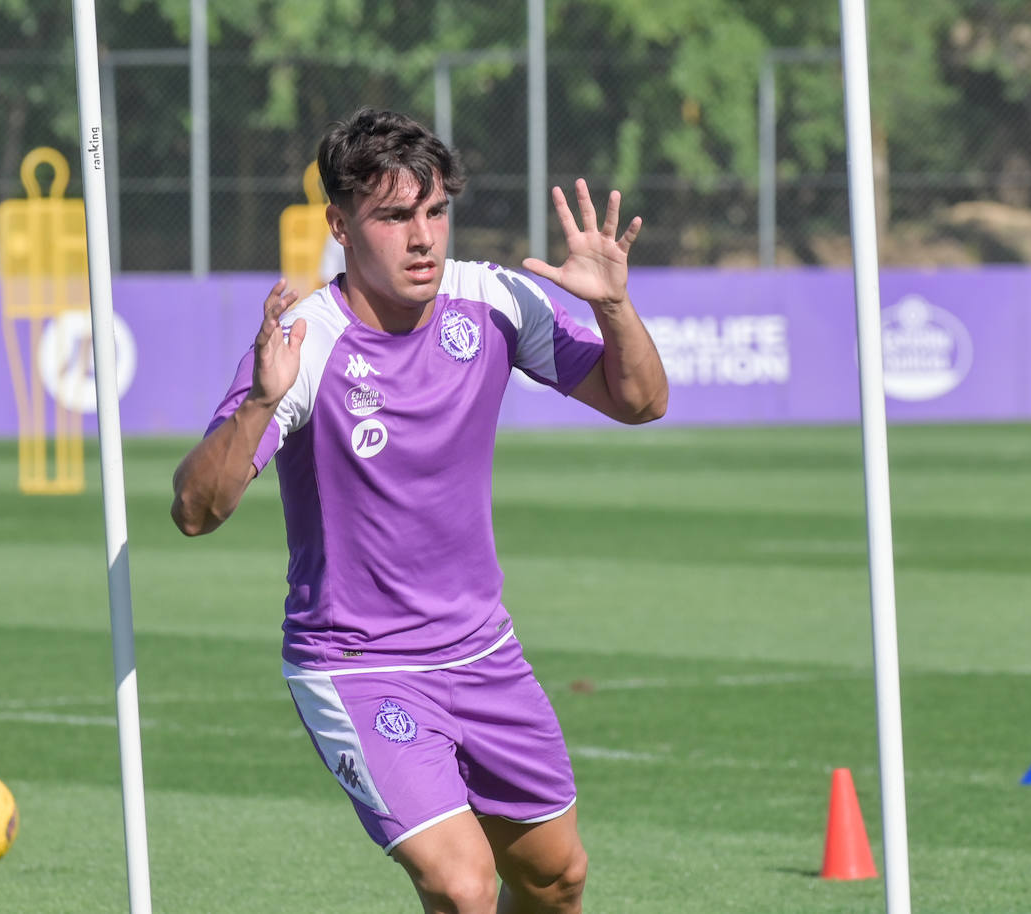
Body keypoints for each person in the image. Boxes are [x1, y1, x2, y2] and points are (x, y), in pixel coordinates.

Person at [171, 107, 667, 914]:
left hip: (483, 654)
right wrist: (262, 402)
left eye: (435, 211)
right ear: (339, 224)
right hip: (361, 665)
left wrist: (613, 306)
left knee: (556, 879)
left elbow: (642, 402)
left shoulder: (497, 302)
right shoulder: (307, 342)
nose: (423, 237)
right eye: (394, 216)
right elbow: (196, 509)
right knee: (464, 886)